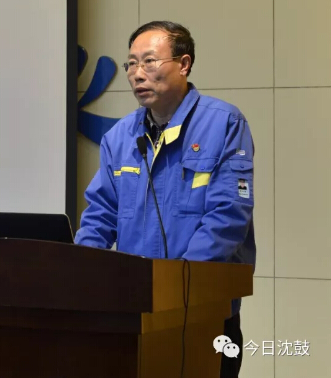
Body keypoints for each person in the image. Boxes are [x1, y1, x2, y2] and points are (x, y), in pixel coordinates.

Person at [74, 21, 255, 378]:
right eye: (131, 64)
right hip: (132, 313)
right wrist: (80, 272)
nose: (137, 73)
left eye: (149, 61)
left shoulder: (224, 124)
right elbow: (100, 215)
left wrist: (175, 288)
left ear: (184, 64)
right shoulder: (120, 137)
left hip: (202, 313)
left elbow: (228, 216)